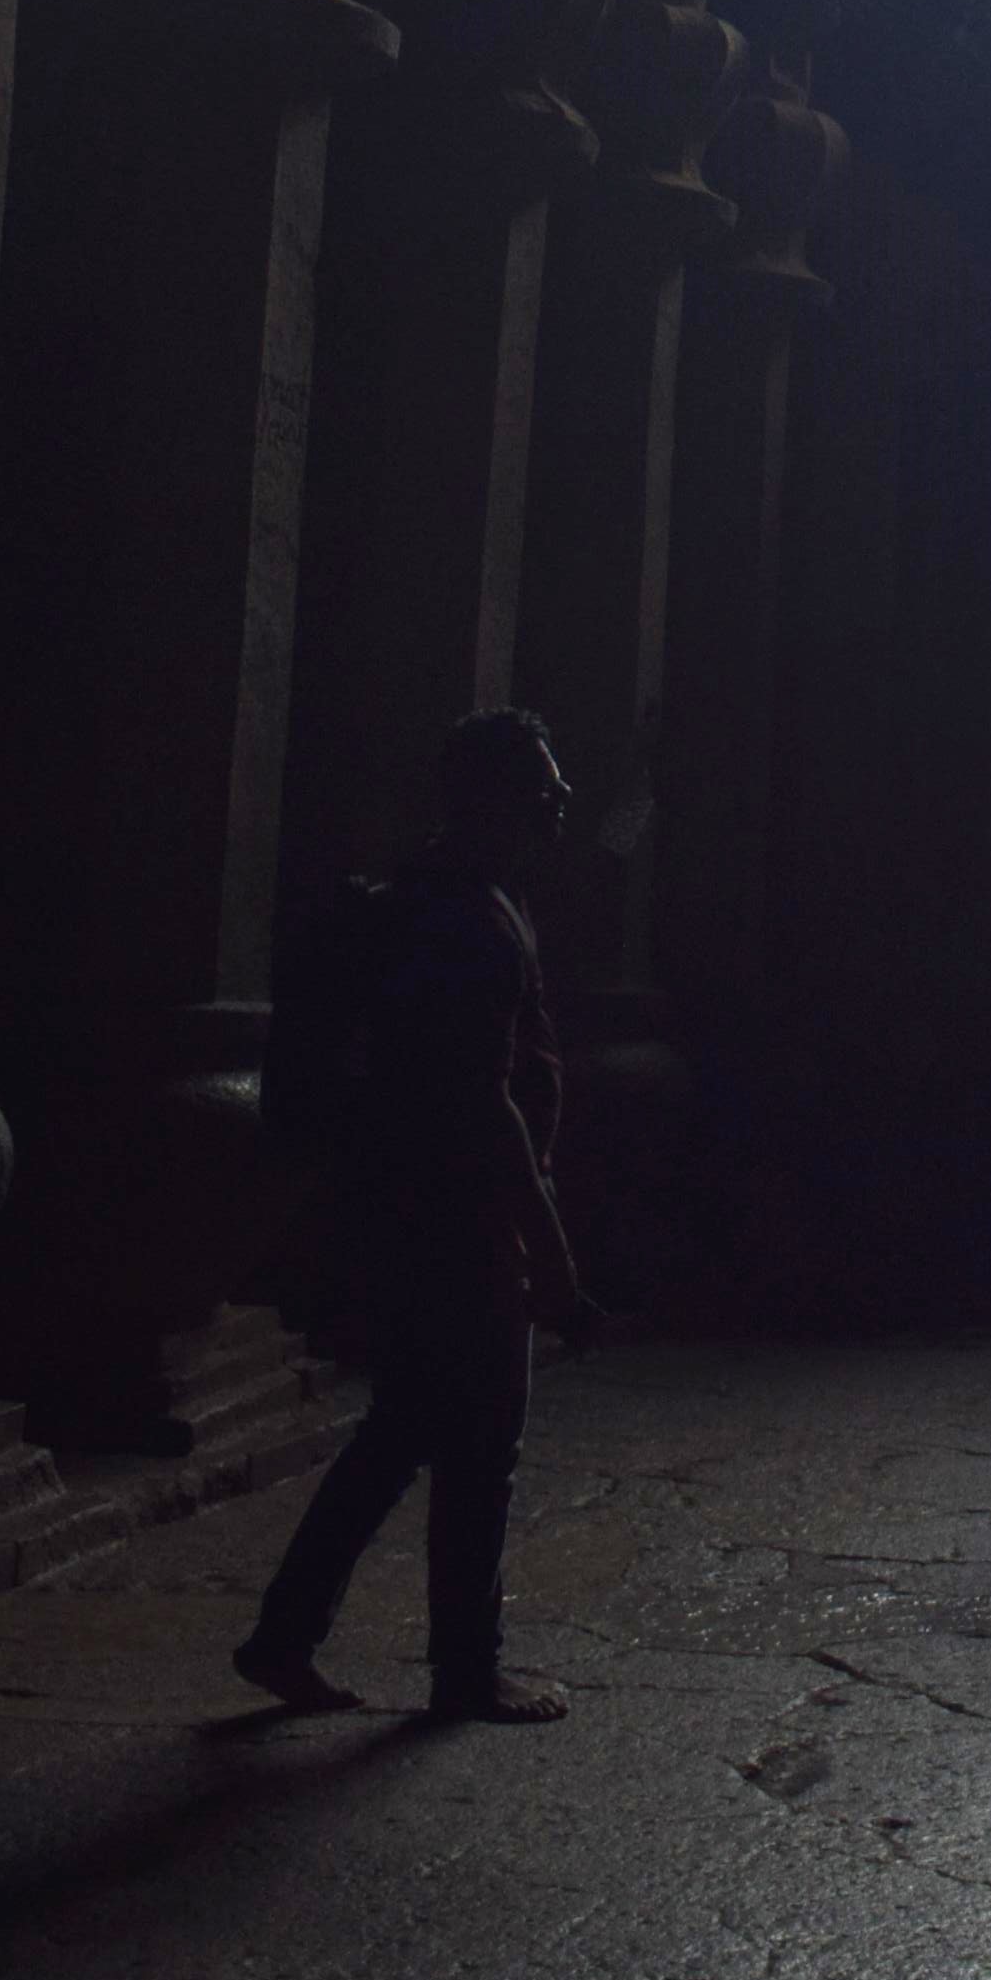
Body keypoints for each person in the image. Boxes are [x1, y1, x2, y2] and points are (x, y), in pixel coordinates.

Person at [237, 707, 586, 1726]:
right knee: (479, 1446)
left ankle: (285, 1638)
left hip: (418, 1205)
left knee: (402, 1433)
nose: (558, 808)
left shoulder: (465, 898)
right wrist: (549, 1251)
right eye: (543, 792)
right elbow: (486, 1101)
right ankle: (466, 1672)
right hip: (458, 1216)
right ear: (490, 799)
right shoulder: (465, 923)